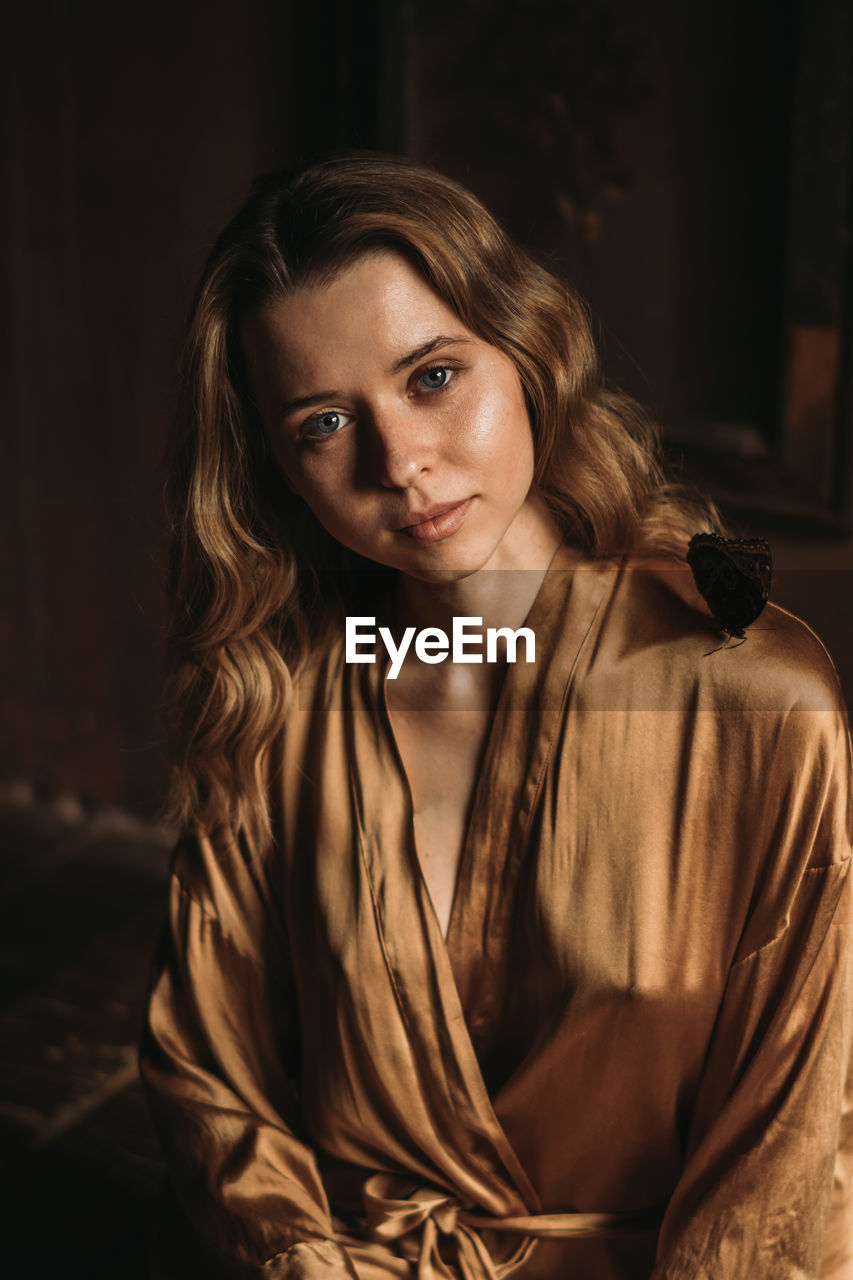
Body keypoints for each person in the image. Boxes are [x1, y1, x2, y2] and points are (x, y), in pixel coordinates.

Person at [140, 153, 853, 1280]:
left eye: (430, 377)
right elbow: (207, 1070)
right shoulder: (281, 705)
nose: (401, 464)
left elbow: (788, 1150)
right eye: (325, 421)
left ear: (524, 350)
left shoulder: (753, 701)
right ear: (276, 467)